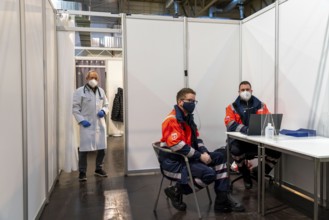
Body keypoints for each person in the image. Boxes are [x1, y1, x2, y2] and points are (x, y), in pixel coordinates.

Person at [159, 88, 244, 213]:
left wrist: (204, 152)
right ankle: (176, 190)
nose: (193, 104)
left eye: (194, 101)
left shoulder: (188, 118)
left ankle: (222, 200)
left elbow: (197, 139)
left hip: (188, 157)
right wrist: (200, 156)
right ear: (180, 102)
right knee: (209, 174)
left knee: (220, 157)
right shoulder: (171, 120)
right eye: (190, 100)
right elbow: (177, 145)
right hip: (175, 162)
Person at [224, 81, 281, 189]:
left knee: (276, 151)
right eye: (242, 90)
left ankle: (259, 172)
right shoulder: (231, 107)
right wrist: (246, 129)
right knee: (235, 150)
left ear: (251, 91)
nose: (245, 92)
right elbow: (230, 124)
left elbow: (268, 120)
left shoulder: (260, 105)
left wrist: (270, 128)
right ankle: (245, 173)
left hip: (256, 141)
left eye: (247, 89)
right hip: (239, 142)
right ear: (238, 92)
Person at [72, 70, 109, 182]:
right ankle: (82, 172)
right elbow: (75, 108)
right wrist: (81, 120)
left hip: (99, 123)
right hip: (86, 124)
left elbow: (106, 105)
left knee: (102, 148)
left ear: (98, 80)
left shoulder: (101, 91)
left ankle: (99, 169)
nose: (93, 80)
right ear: (87, 79)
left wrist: (103, 110)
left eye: (95, 78)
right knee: (84, 150)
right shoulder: (79, 92)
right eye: (91, 77)